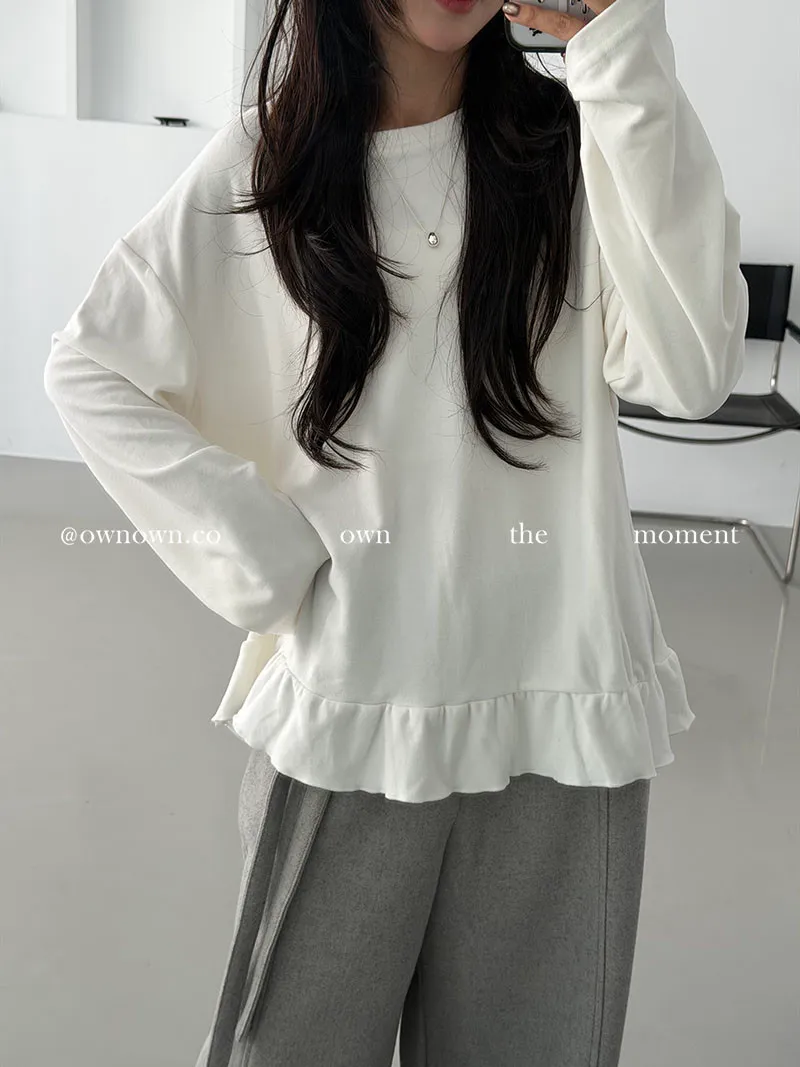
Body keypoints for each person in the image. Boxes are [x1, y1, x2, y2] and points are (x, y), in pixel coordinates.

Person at [42, 0, 749, 1064]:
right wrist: (264, 556)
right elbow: (92, 367)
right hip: (357, 715)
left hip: (563, 720)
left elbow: (691, 371)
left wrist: (620, 53)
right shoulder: (269, 164)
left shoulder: (577, 140)